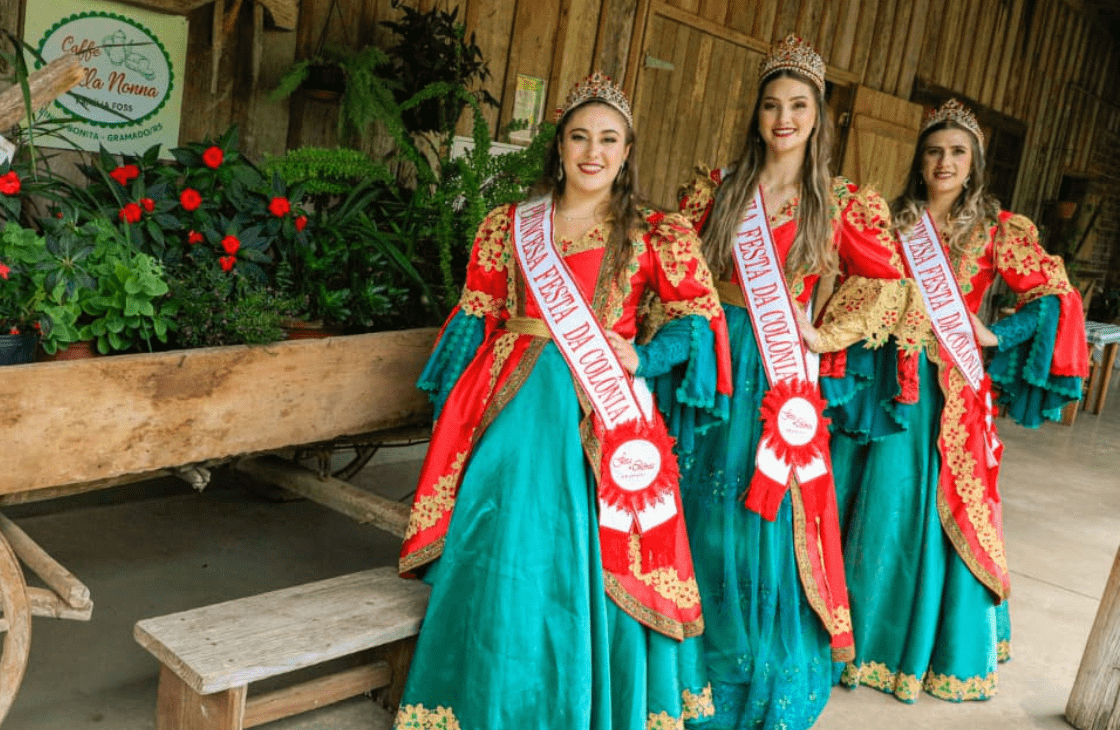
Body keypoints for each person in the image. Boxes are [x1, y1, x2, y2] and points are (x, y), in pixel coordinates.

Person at [394, 72, 731, 730]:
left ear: (628, 151)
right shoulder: (510, 224)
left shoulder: (655, 231)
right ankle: (487, 700)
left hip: (601, 409)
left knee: (593, 550)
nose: (593, 152)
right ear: (559, 147)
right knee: (507, 546)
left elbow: (695, 319)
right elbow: (477, 317)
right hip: (513, 406)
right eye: (580, 136)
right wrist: (453, 421)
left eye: (609, 139)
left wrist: (646, 355)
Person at [657, 35, 908, 730]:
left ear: (819, 117)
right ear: (757, 115)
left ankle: (750, 669)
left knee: (760, 515)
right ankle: (686, 658)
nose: (783, 118)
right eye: (771, 105)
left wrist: (823, 333)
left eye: (798, 105)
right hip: (714, 362)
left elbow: (889, 283)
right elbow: (673, 264)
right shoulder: (720, 187)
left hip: (779, 373)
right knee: (700, 511)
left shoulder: (843, 203)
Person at [827, 99, 1089, 702]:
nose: (945, 162)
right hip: (882, 375)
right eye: (934, 150)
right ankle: (846, 633)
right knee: (861, 498)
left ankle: (908, 647)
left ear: (974, 165)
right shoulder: (888, 221)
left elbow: (1056, 294)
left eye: (958, 153)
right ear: (919, 161)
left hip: (945, 390)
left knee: (917, 506)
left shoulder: (996, 230)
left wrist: (997, 333)